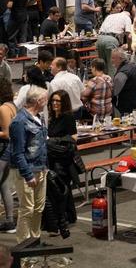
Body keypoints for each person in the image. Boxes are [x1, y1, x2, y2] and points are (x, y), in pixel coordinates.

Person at [9, 86, 48, 244]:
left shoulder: (39, 117)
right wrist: (28, 174)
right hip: (26, 171)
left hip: (41, 168)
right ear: (39, 101)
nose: (47, 102)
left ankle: (34, 241)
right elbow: (17, 152)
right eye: (45, 99)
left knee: (39, 208)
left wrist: (45, 168)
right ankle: (23, 248)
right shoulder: (19, 121)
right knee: (27, 209)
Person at [45, 90, 77, 237]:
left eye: (58, 101)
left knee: (60, 190)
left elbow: (74, 138)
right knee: (62, 190)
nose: (55, 104)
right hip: (53, 158)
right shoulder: (53, 118)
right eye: (53, 101)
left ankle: (62, 221)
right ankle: (69, 217)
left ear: (64, 103)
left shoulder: (68, 118)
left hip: (63, 160)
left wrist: (53, 142)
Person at [0, 79, 16, 232]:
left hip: (4, 150)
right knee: (4, 186)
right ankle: (10, 221)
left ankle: (10, 221)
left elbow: (6, 133)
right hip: (9, 150)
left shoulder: (4, 108)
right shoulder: (12, 105)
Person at [111, 48, 136, 115]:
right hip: (134, 102)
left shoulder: (122, 73)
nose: (111, 61)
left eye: (113, 58)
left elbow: (114, 92)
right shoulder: (130, 66)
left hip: (125, 107)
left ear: (120, 59)